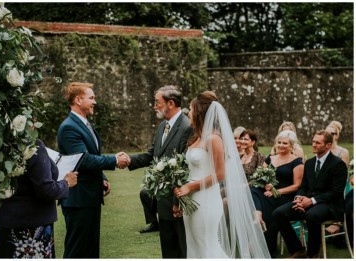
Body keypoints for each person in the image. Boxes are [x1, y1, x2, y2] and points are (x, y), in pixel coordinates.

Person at [172, 91, 270, 258]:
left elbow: (219, 174)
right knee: (194, 244)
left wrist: (190, 186)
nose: (187, 112)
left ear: (199, 112)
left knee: (206, 244)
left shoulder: (213, 139)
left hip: (206, 199)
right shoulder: (195, 138)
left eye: (190, 108)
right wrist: (180, 194)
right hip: (191, 198)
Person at [56, 82, 128, 258]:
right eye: (91, 98)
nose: (95, 102)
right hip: (78, 198)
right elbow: (84, 159)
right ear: (78, 100)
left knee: (90, 250)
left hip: (91, 197)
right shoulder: (69, 127)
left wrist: (102, 177)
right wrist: (114, 160)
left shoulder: (85, 124)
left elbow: (92, 153)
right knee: (76, 250)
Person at [126, 85, 191, 258]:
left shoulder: (187, 127)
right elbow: (152, 154)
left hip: (179, 202)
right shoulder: (163, 126)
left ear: (170, 103)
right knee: (168, 250)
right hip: (162, 200)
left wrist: (178, 200)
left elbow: (185, 166)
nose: (154, 106)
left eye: (157, 102)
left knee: (182, 249)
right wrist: (128, 160)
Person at [268, 130, 347, 258]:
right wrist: (299, 198)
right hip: (307, 201)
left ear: (327, 145)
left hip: (330, 205)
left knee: (311, 215)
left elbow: (336, 192)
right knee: (279, 213)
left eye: (318, 142)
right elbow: (303, 186)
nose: (314, 144)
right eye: (313, 141)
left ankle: (313, 254)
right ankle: (298, 250)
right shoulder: (309, 163)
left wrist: (311, 201)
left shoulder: (338, 164)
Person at [0, 140, 78, 258]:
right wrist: (66, 183)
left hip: (5, 222)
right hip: (32, 226)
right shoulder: (34, 146)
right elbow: (46, 190)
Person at [251, 130, 302, 237]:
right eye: (279, 142)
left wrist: (276, 191)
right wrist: (266, 184)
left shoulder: (297, 161)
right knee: (253, 189)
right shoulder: (270, 158)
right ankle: (258, 215)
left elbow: (297, 185)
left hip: (285, 195)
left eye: (285, 143)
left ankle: (265, 238)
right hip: (268, 191)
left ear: (292, 146)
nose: (281, 145)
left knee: (266, 200)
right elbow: (260, 176)